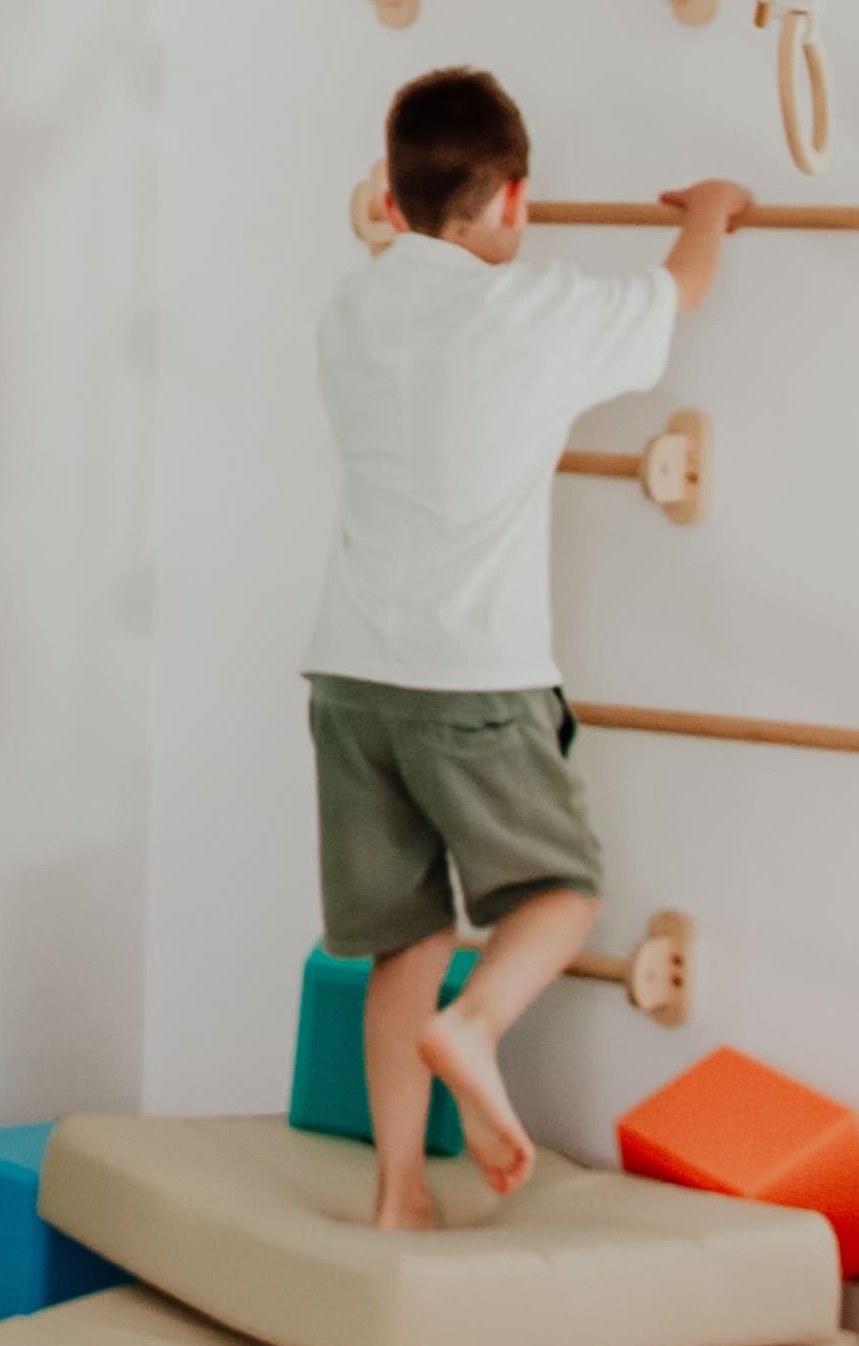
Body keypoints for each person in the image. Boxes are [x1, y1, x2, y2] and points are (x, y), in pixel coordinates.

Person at [307, 66, 745, 1224]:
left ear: (391, 204)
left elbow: (397, 259)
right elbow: (680, 289)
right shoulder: (532, 312)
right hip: (473, 679)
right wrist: (709, 207)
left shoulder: (351, 311)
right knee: (563, 890)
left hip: (350, 674)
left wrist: (389, 224)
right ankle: (477, 1023)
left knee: (401, 942)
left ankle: (399, 1192)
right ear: (515, 200)